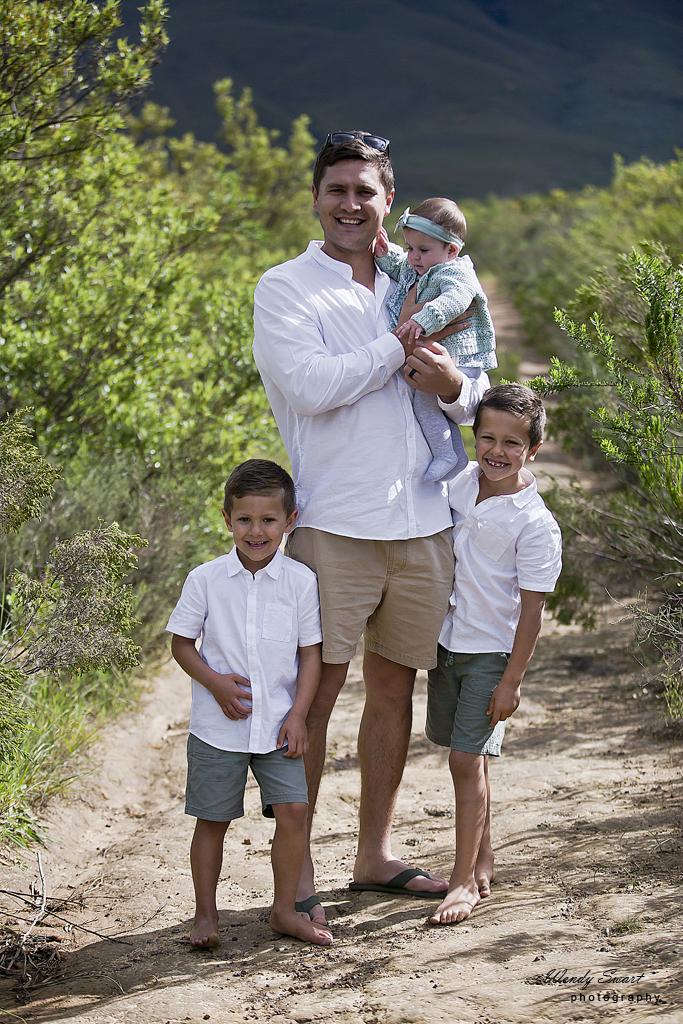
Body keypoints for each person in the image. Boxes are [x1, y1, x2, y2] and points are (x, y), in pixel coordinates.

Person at [252, 131, 492, 924]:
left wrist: (451, 384)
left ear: (389, 200)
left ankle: (373, 856)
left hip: (423, 521)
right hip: (333, 522)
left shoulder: (425, 277)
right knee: (313, 700)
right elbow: (313, 387)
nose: (350, 204)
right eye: (337, 190)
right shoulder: (286, 287)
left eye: (365, 191)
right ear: (316, 198)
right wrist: (398, 345)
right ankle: (294, 880)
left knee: (393, 691)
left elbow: (475, 394)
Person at [166, 460, 333, 948]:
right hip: (218, 728)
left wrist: (299, 715)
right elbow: (181, 644)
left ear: (290, 520)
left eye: (268, 520)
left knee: (294, 812)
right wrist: (216, 683)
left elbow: (310, 654)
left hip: (280, 725)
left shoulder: (300, 582)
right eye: (244, 519)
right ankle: (205, 916)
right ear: (227, 519)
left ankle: (284, 910)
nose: (256, 531)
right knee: (212, 821)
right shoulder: (206, 579)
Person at [425, 383, 562, 926]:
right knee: (472, 757)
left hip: (491, 654)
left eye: (512, 443)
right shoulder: (459, 484)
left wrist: (512, 681)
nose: (496, 451)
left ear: (533, 450)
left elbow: (532, 611)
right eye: (487, 438)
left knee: (463, 761)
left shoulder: (535, 524)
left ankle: (461, 881)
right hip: (447, 646)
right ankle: (483, 855)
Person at [374, 198, 496, 483]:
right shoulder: (423, 267)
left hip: (457, 355)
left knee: (424, 403)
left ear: (451, 250)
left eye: (423, 250)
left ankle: (446, 455)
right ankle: (454, 455)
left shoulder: (456, 273)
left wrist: (422, 320)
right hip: (442, 353)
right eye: (409, 248)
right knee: (430, 406)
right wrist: (384, 254)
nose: (413, 257)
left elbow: (454, 301)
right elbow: (400, 267)